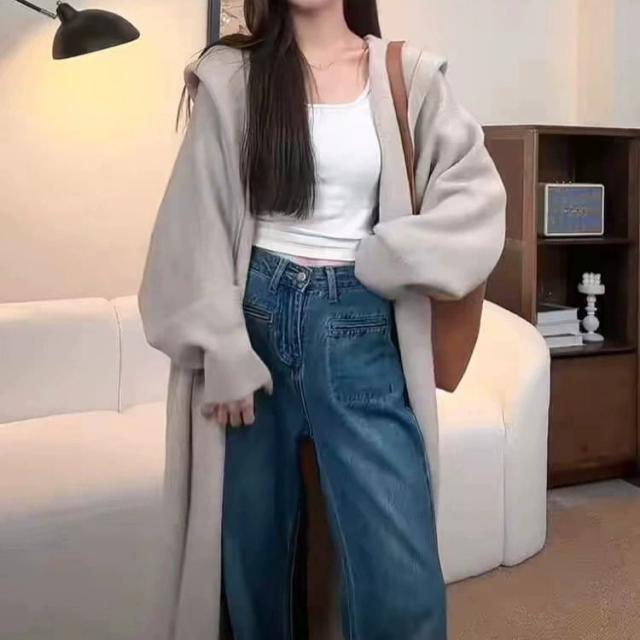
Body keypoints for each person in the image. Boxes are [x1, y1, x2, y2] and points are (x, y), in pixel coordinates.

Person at [138, 0, 507, 638]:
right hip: (251, 327)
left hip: (359, 325)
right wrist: (220, 345)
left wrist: (389, 256)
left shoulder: (405, 75)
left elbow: (476, 200)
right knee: (251, 565)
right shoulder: (233, 74)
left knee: (399, 571)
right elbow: (194, 218)